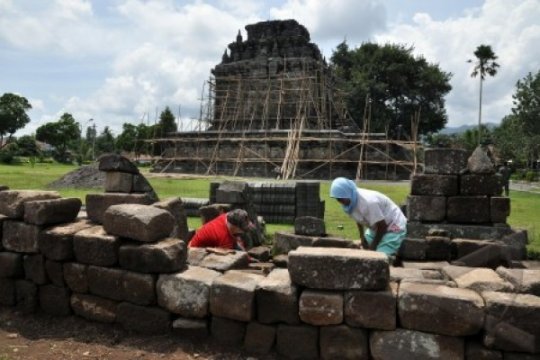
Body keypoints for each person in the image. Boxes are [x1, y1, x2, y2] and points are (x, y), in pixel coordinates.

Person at [329, 177, 407, 256]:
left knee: (380, 258)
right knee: (363, 249)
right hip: (376, 227)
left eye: (341, 198)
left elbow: (382, 226)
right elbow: (358, 219)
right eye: (337, 199)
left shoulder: (369, 202)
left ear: (347, 193)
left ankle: (395, 256)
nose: (339, 201)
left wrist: (373, 247)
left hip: (394, 226)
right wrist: (362, 238)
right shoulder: (349, 202)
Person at [188, 209, 254, 251]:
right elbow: (229, 258)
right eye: (242, 229)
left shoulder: (226, 216)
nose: (243, 231)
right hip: (195, 252)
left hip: (196, 244)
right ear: (235, 227)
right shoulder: (224, 238)